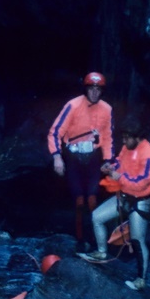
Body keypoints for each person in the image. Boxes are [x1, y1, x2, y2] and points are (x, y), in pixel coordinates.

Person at [78, 116, 150, 290]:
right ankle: (101, 252)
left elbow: (142, 182)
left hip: (141, 200)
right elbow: (119, 160)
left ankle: (141, 279)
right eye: (123, 137)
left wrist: (120, 177)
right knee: (97, 217)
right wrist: (110, 166)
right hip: (123, 196)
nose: (124, 140)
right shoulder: (127, 147)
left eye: (127, 137)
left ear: (138, 137)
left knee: (137, 239)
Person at [47, 72, 114, 251]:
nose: (94, 92)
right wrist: (57, 156)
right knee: (79, 199)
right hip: (74, 157)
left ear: (102, 91)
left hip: (93, 157)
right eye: (91, 88)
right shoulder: (73, 106)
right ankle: (79, 238)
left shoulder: (106, 109)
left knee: (92, 198)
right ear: (85, 89)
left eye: (97, 89)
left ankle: (94, 238)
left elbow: (107, 136)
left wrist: (108, 159)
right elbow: (55, 132)